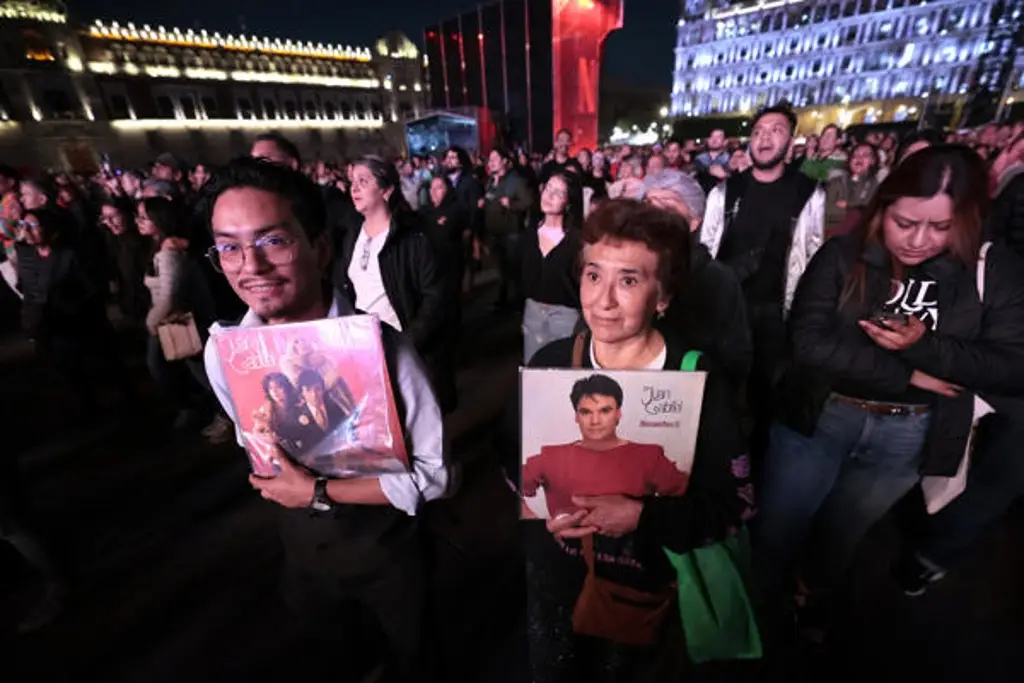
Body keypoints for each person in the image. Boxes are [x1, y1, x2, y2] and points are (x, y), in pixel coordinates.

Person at [754, 145, 1024, 641]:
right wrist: (905, 374)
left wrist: (926, 348)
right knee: (780, 521)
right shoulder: (844, 253)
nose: (918, 241)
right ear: (883, 206)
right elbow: (809, 341)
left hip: (910, 432)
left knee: (844, 530)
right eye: (905, 222)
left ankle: (809, 594)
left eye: (939, 228)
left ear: (965, 220)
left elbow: (1011, 364)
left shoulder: (991, 270)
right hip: (820, 416)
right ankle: (758, 603)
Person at [202, 157, 448, 681]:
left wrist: (314, 492)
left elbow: (435, 476)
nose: (251, 266)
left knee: (416, 660)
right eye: (229, 247)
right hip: (303, 557)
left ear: (320, 246)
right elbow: (261, 448)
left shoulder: (384, 350)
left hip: (390, 557)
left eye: (273, 241)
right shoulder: (224, 351)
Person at [513, 199, 752, 682]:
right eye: (593, 275)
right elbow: (513, 462)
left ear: (662, 296)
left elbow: (736, 506)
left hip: (642, 583)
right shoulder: (551, 362)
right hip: (557, 575)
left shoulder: (698, 379)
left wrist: (645, 515)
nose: (603, 300)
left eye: (629, 280)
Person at [521, 373, 689, 519]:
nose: (595, 421)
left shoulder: (649, 456)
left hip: (633, 552)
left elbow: (692, 501)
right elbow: (507, 484)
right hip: (565, 552)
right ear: (576, 417)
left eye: (605, 411)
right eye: (586, 412)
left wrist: (643, 516)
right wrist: (533, 523)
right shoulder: (551, 457)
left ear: (618, 414)